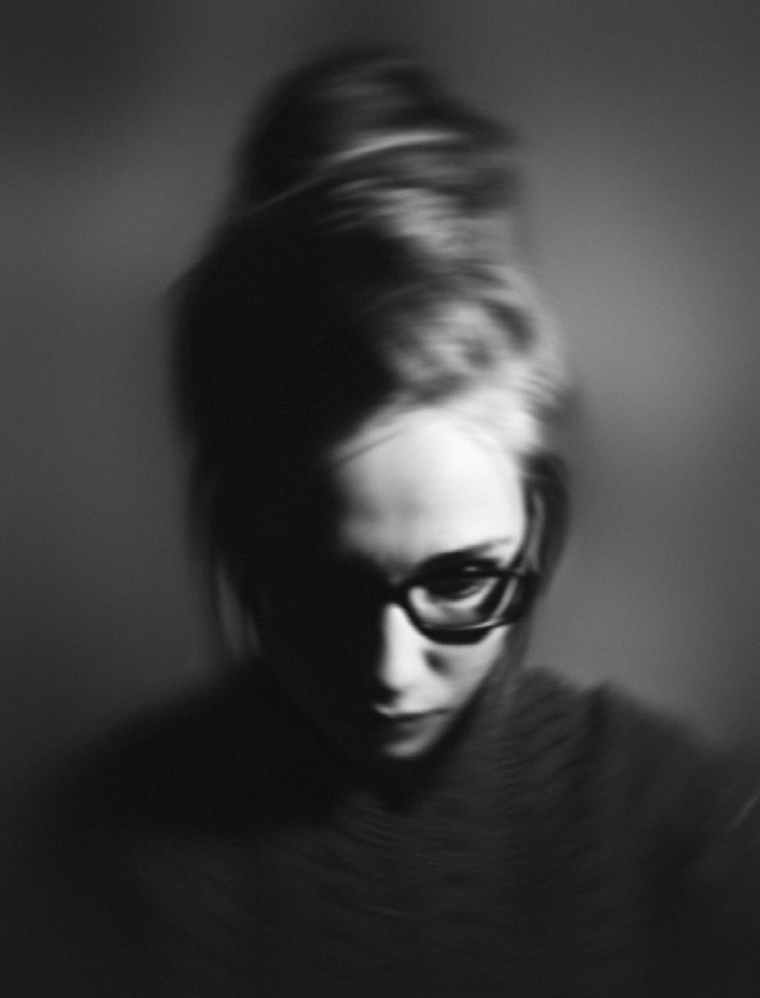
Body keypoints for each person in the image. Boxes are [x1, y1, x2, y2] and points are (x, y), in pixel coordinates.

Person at [13, 48, 760, 998]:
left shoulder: (675, 820)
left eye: (459, 577)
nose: (390, 673)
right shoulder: (95, 862)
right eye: (321, 586)